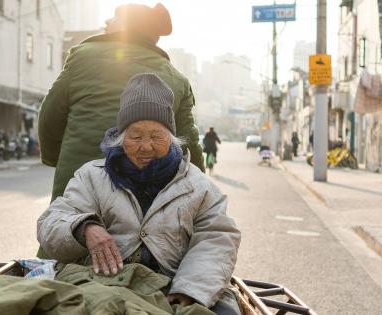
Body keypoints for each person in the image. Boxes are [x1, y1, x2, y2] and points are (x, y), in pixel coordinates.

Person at [38, 74, 241, 314]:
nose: (146, 146)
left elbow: (217, 238)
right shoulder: (92, 177)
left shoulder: (198, 185)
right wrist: (84, 228)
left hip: (175, 287)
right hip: (105, 285)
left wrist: (189, 290)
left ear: (172, 138)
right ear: (121, 138)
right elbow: (51, 222)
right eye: (135, 137)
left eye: (157, 136)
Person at [38, 2, 204, 203]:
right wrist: (201, 195)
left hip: (78, 193)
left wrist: (57, 160)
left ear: (130, 27)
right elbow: (189, 147)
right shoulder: (178, 80)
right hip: (147, 201)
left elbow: (50, 119)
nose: (107, 21)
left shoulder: (82, 57)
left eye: (115, 17)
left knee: (70, 229)